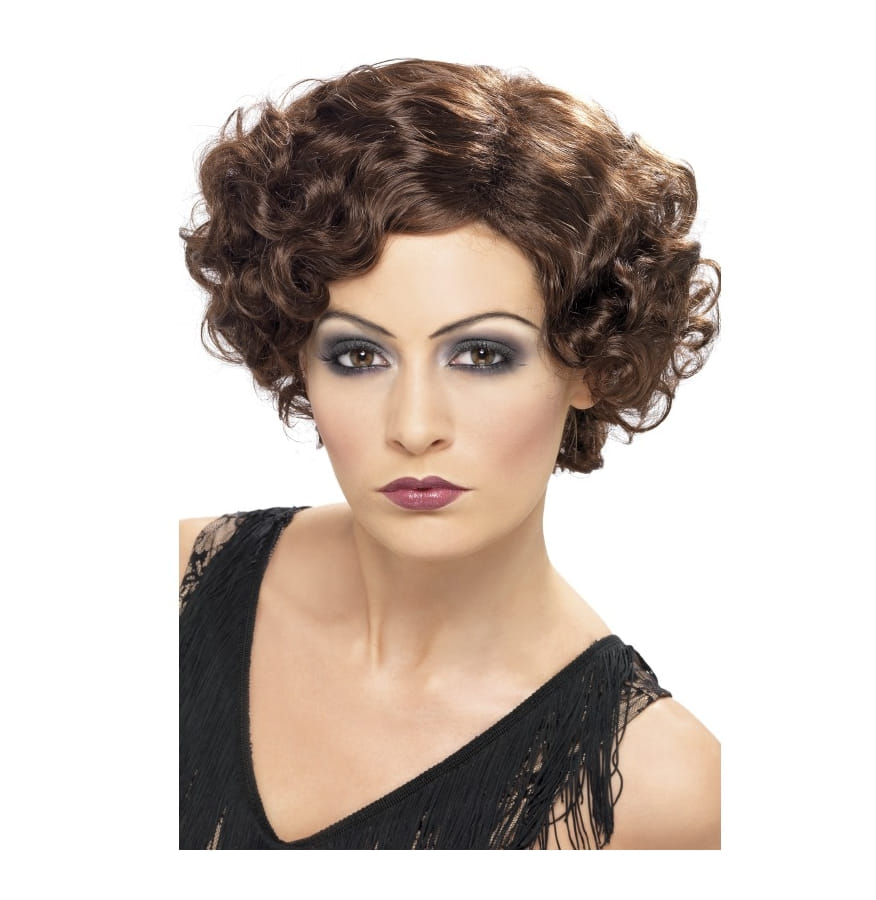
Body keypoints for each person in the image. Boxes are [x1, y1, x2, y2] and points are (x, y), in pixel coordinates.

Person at [179, 59, 721, 850]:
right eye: (359, 356)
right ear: (297, 356)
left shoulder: (664, 793)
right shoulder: (169, 587)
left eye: (482, 355)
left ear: (591, 364)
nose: (414, 425)